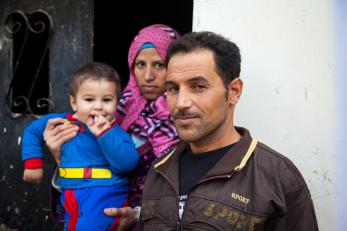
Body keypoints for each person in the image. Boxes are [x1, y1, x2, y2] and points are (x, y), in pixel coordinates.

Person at [137, 31, 319, 230]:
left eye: (198, 86)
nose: (181, 103)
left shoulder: (277, 177)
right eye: (173, 88)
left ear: (233, 92)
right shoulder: (159, 171)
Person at [43, 25, 181, 230]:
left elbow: (191, 190)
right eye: (140, 64)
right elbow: (83, 165)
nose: (148, 75)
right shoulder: (111, 106)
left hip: (156, 219)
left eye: (159, 65)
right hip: (95, 207)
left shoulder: (184, 115)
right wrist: (58, 155)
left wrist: (139, 214)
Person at [21, 62, 140, 230]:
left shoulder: (115, 133)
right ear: (74, 102)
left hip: (104, 193)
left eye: (107, 100)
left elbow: (128, 163)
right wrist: (33, 164)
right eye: (89, 99)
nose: (98, 106)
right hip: (71, 193)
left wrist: (104, 134)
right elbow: (32, 131)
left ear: (116, 103)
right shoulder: (60, 122)